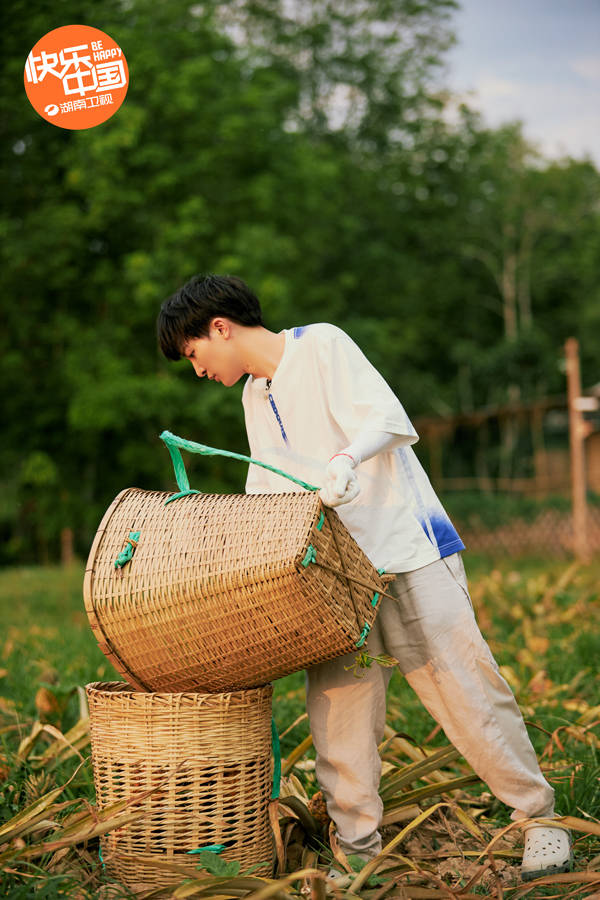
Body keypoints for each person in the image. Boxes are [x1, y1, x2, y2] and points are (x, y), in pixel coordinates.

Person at [157, 273, 572, 882]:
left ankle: (539, 819)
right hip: (333, 579)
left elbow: (387, 417)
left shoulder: (321, 345)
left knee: (465, 686)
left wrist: (348, 458)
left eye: (194, 353)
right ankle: (358, 852)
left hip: (406, 548)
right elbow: (267, 492)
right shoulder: (253, 397)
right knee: (339, 712)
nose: (197, 370)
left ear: (220, 328)